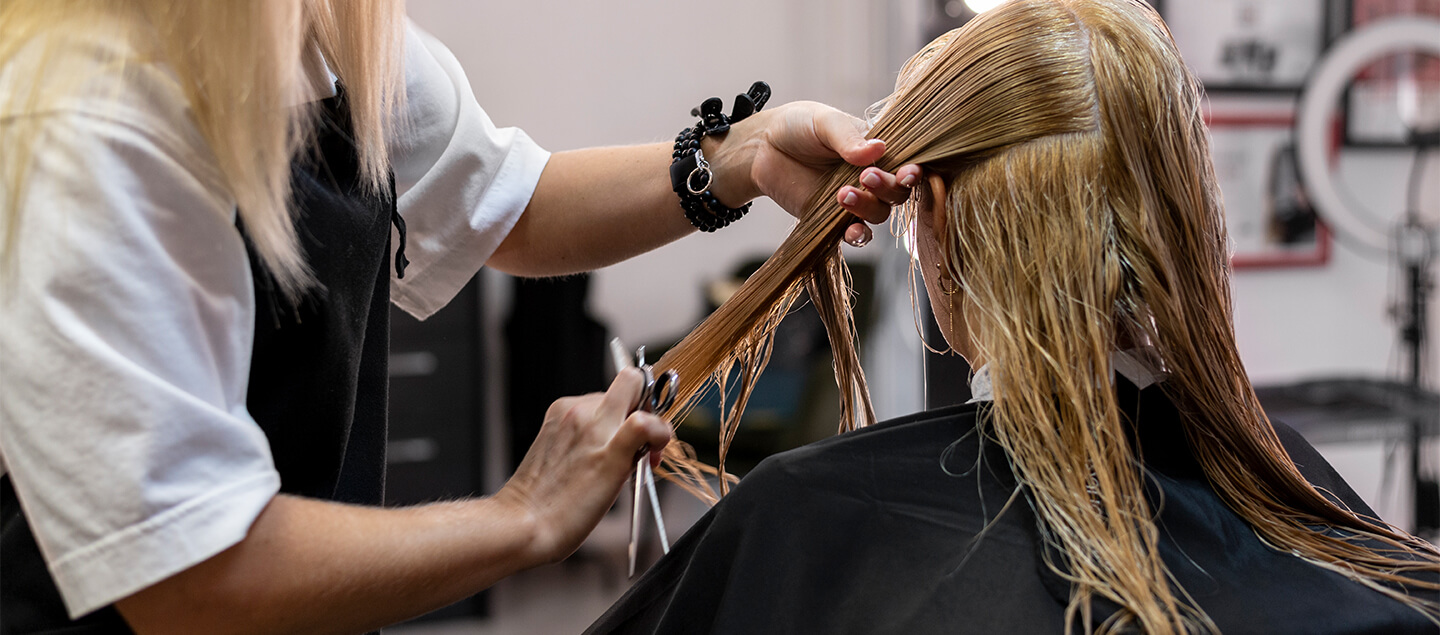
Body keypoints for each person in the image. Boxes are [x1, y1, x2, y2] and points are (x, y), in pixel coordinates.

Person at [0, 1, 922, 633]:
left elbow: (512, 206)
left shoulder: (332, 26)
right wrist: (523, 514)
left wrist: (743, 156)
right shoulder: (78, 117)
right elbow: (190, 578)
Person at [588, 0, 1440, 632]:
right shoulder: (1289, 478)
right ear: (1184, 207)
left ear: (935, 211)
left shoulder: (801, 516)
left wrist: (526, 522)